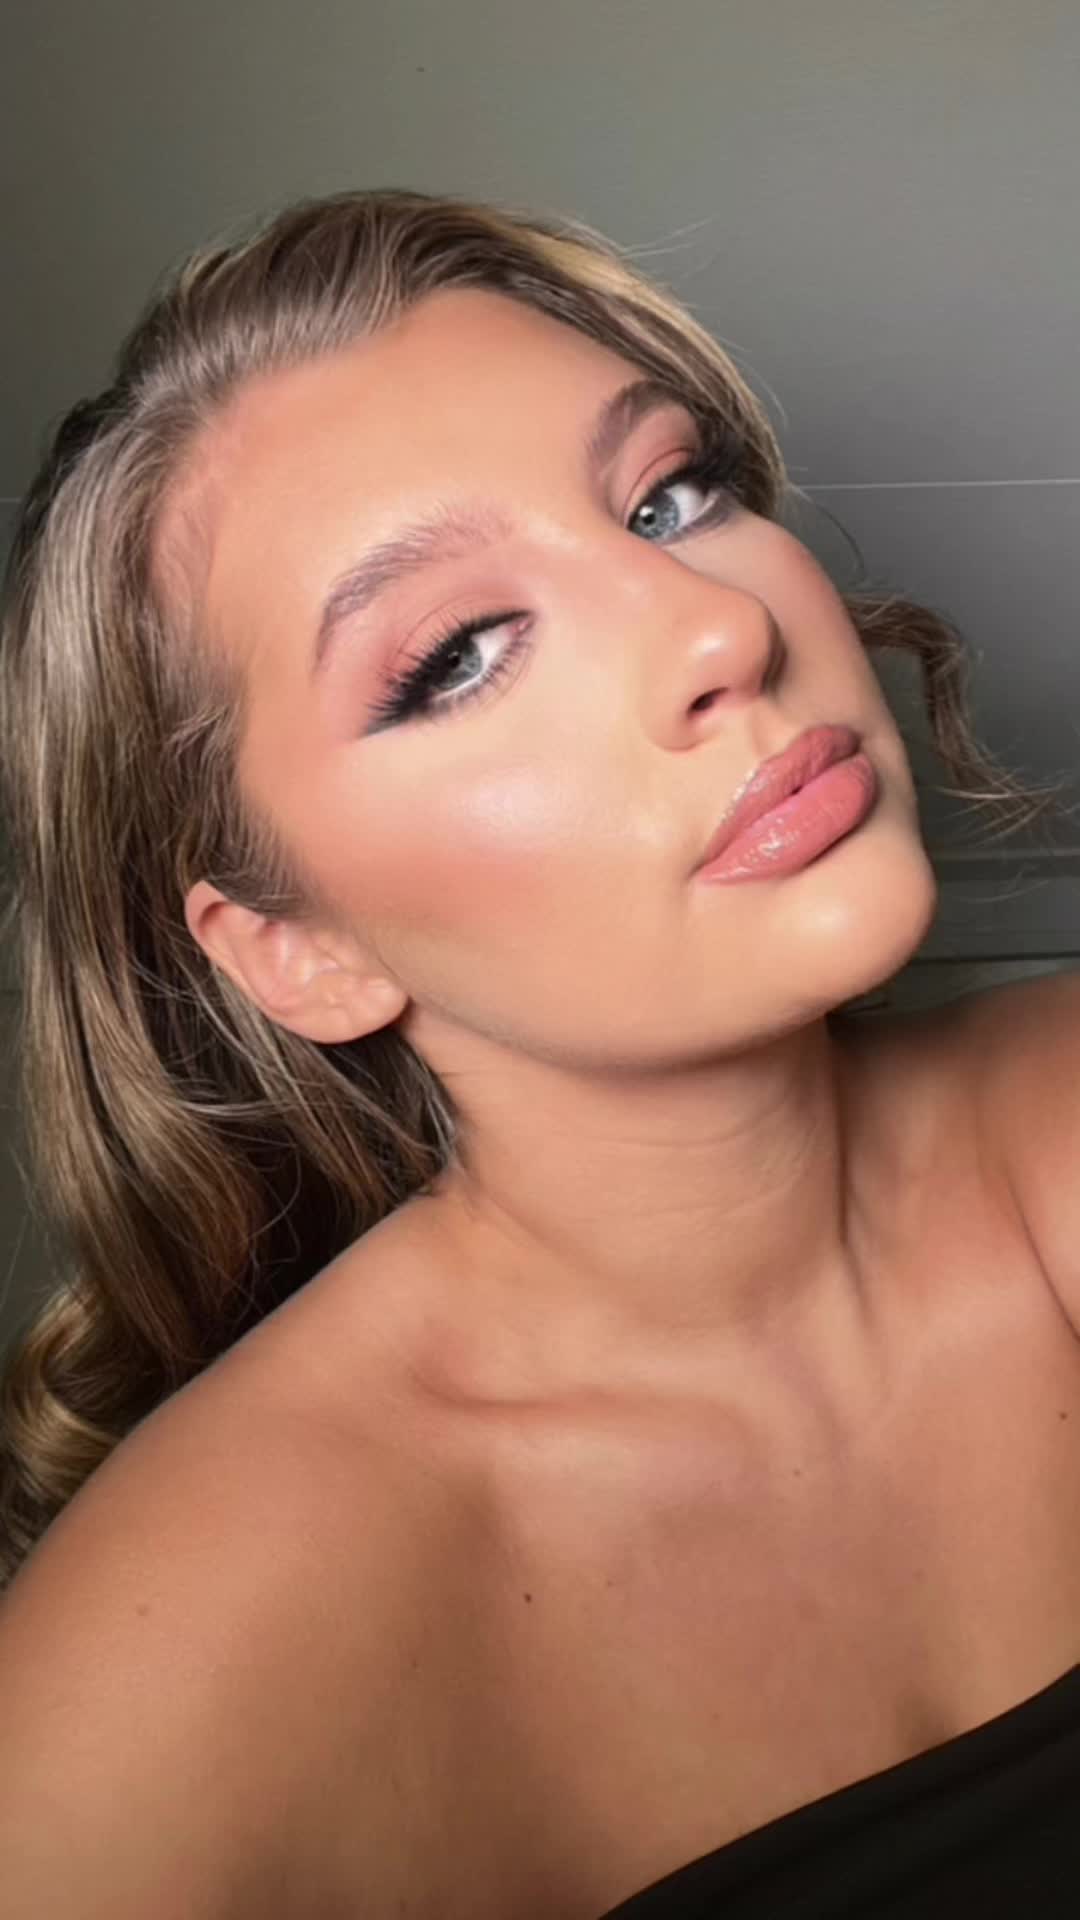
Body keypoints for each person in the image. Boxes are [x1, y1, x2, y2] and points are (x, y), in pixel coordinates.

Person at [0, 187, 1077, 1918]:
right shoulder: (150, 1701)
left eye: (669, 496)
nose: (720, 629)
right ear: (301, 950)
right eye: (456, 658)